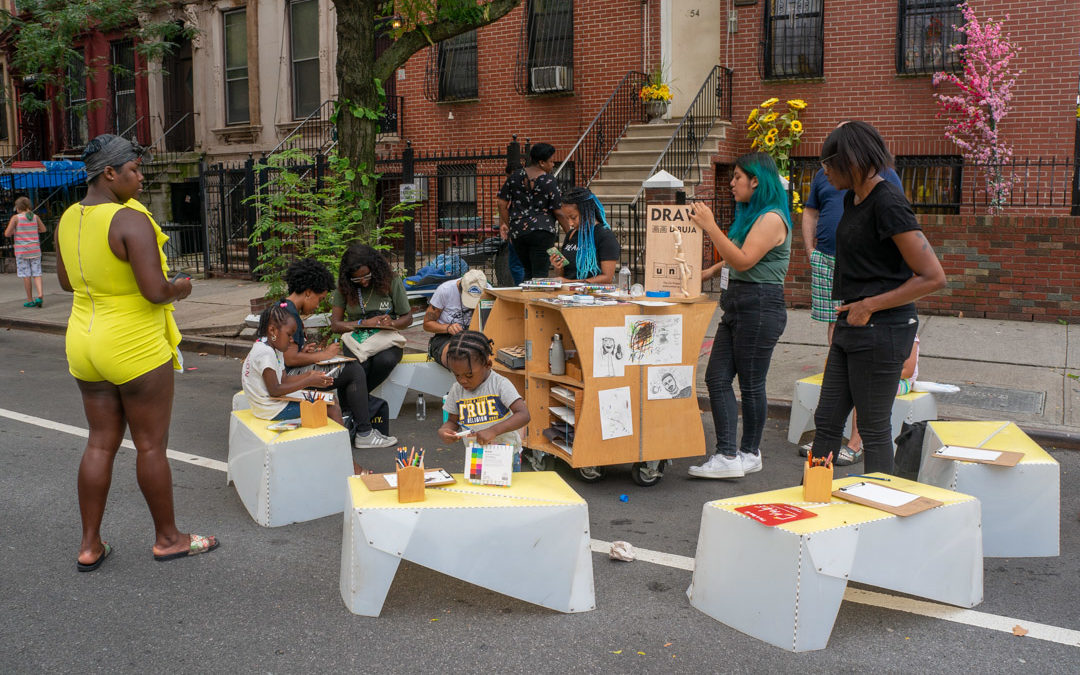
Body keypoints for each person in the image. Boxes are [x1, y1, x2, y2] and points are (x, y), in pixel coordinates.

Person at [55, 133, 217, 570]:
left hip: (83, 340)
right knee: (150, 445)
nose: (141, 178)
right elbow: (155, 291)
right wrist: (181, 288)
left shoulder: (68, 217)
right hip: (132, 341)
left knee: (100, 442)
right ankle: (169, 538)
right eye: (134, 170)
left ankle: (90, 545)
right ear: (110, 173)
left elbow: (67, 283)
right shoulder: (129, 220)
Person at [810, 121, 946, 475]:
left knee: (872, 427)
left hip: (882, 328)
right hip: (850, 324)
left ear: (852, 161)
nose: (823, 171)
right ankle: (814, 501)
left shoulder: (888, 202)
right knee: (826, 421)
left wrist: (870, 305)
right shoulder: (851, 198)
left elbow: (933, 276)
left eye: (828, 163)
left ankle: (882, 509)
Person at [686, 152, 792, 479]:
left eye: (737, 178)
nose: (731, 184)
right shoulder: (752, 214)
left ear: (756, 181)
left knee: (751, 384)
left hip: (759, 305)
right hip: (738, 305)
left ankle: (745, 452)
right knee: (716, 378)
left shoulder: (772, 218)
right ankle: (731, 454)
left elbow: (744, 260)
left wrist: (710, 227)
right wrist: (708, 273)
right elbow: (736, 258)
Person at [329, 244, 408, 449]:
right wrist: (364, 324)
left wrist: (391, 323)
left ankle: (348, 408)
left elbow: (406, 318)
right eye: (357, 278)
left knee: (386, 360)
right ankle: (363, 428)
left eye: (366, 276)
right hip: (356, 338)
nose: (363, 281)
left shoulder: (391, 281)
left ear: (375, 268)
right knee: (358, 368)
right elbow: (336, 325)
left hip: (386, 337)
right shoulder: (344, 287)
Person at [437, 330, 531, 470]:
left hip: (505, 454)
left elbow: (523, 415)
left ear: (487, 365)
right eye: (457, 375)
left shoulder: (500, 384)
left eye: (469, 375)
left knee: (507, 491)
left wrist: (493, 431)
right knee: (479, 491)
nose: (463, 380)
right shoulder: (457, 390)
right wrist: (445, 430)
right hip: (476, 455)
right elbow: (452, 421)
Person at [242, 303, 342, 423]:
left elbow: (284, 379)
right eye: (289, 335)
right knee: (331, 407)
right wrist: (308, 381)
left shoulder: (274, 347)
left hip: (272, 404)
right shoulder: (265, 353)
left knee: (331, 398)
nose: (291, 340)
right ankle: (342, 441)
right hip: (270, 409)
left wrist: (309, 375)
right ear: (272, 330)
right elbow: (275, 390)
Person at [497, 143, 568, 281]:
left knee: (527, 272)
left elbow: (501, 203)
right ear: (541, 162)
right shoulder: (549, 180)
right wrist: (570, 233)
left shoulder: (515, 177)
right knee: (540, 274)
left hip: (519, 231)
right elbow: (558, 211)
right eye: (551, 161)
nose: (553, 165)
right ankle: (535, 300)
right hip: (542, 231)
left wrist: (510, 225)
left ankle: (525, 301)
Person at [548, 186, 620, 283]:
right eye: (567, 218)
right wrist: (558, 267)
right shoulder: (571, 234)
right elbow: (564, 276)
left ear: (587, 212)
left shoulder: (604, 235)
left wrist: (570, 283)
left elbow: (607, 278)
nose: (570, 224)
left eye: (573, 217)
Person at [423, 269, 487, 367]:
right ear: (461, 286)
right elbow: (427, 324)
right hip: (446, 337)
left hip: (474, 335)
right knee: (459, 357)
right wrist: (448, 328)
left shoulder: (487, 289)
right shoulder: (445, 290)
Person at [5, 196, 47, 307]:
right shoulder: (35, 217)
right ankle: (40, 294)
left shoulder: (15, 218)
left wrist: (16, 231)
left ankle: (29, 300)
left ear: (18, 208)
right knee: (37, 273)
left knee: (26, 275)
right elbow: (43, 229)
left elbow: (7, 234)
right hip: (35, 250)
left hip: (22, 252)